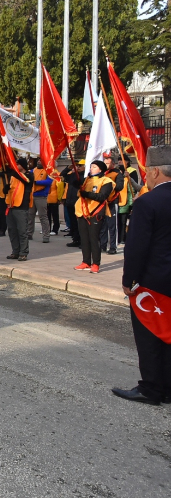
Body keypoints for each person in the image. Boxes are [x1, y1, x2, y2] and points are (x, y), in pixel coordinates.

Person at [114, 144, 171, 405]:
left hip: (154, 283)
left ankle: (150, 388)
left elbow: (136, 247)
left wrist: (128, 280)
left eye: (147, 172)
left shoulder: (148, 201)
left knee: (150, 336)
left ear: (157, 172)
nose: (145, 176)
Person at [73, 159, 114, 274]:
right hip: (83, 212)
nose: (91, 168)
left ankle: (96, 263)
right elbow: (69, 179)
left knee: (94, 238)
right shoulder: (87, 180)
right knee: (84, 239)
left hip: (96, 212)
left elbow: (102, 196)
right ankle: (86, 261)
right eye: (91, 166)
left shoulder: (107, 181)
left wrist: (86, 194)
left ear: (101, 169)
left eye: (94, 167)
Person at [2, 158, 34, 261]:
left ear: (23, 165)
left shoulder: (29, 175)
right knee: (12, 231)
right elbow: (11, 188)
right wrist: (6, 189)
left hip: (21, 207)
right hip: (11, 205)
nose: (15, 165)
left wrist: (11, 171)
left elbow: (25, 180)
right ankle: (15, 252)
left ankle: (23, 252)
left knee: (22, 231)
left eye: (17, 164)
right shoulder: (13, 176)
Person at [99, 152, 125, 255]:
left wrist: (109, 185)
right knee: (103, 225)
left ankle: (113, 247)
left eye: (107, 163)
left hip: (112, 202)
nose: (105, 165)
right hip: (103, 202)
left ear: (112, 164)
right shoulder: (102, 174)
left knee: (112, 226)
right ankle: (103, 245)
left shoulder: (117, 173)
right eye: (104, 162)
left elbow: (120, 186)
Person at [29, 159, 53, 243]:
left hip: (41, 196)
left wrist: (36, 182)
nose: (39, 162)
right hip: (32, 196)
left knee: (43, 217)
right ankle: (29, 234)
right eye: (38, 160)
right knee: (30, 216)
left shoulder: (48, 171)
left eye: (41, 161)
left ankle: (46, 236)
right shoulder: (33, 170)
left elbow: (49, 181)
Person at [60, 160, 83, 247]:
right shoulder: (73, 175)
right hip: (70, 201)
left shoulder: (85, 176)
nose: (78, 167)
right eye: (77, 165)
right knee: (73, 223)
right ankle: (75, 239)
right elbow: (62, 175)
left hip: (78, 202)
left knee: (79, 224)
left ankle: (81, 241)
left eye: (80, 165)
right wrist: (68, 168)